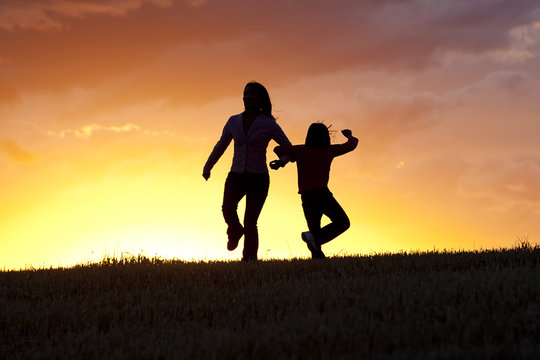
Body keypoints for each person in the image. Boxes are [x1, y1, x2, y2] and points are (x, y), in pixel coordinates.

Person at [203, 82, 292, 262]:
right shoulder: (233, 121)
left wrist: (281, 162)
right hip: (236, 176)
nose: (248, 97)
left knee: (251, 221)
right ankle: (235, 230)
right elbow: (221, 144)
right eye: (245, 94)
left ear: (261, 99)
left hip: (258, 178)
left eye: (252, 94)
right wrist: (208, 166)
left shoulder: (268, 124)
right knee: (227, 208)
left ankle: (249, 260)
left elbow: (288, 147)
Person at [271, 123, 358, 259]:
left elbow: (277, 149)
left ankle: (316, 251)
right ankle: (315, 238)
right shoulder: (328, 150)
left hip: (306, 197)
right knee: (342, 222)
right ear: (326, 137)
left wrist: (288, 157)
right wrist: (349, 136)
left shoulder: (301, 150)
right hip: (322, 194)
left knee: (314, 237)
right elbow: (352, 145)